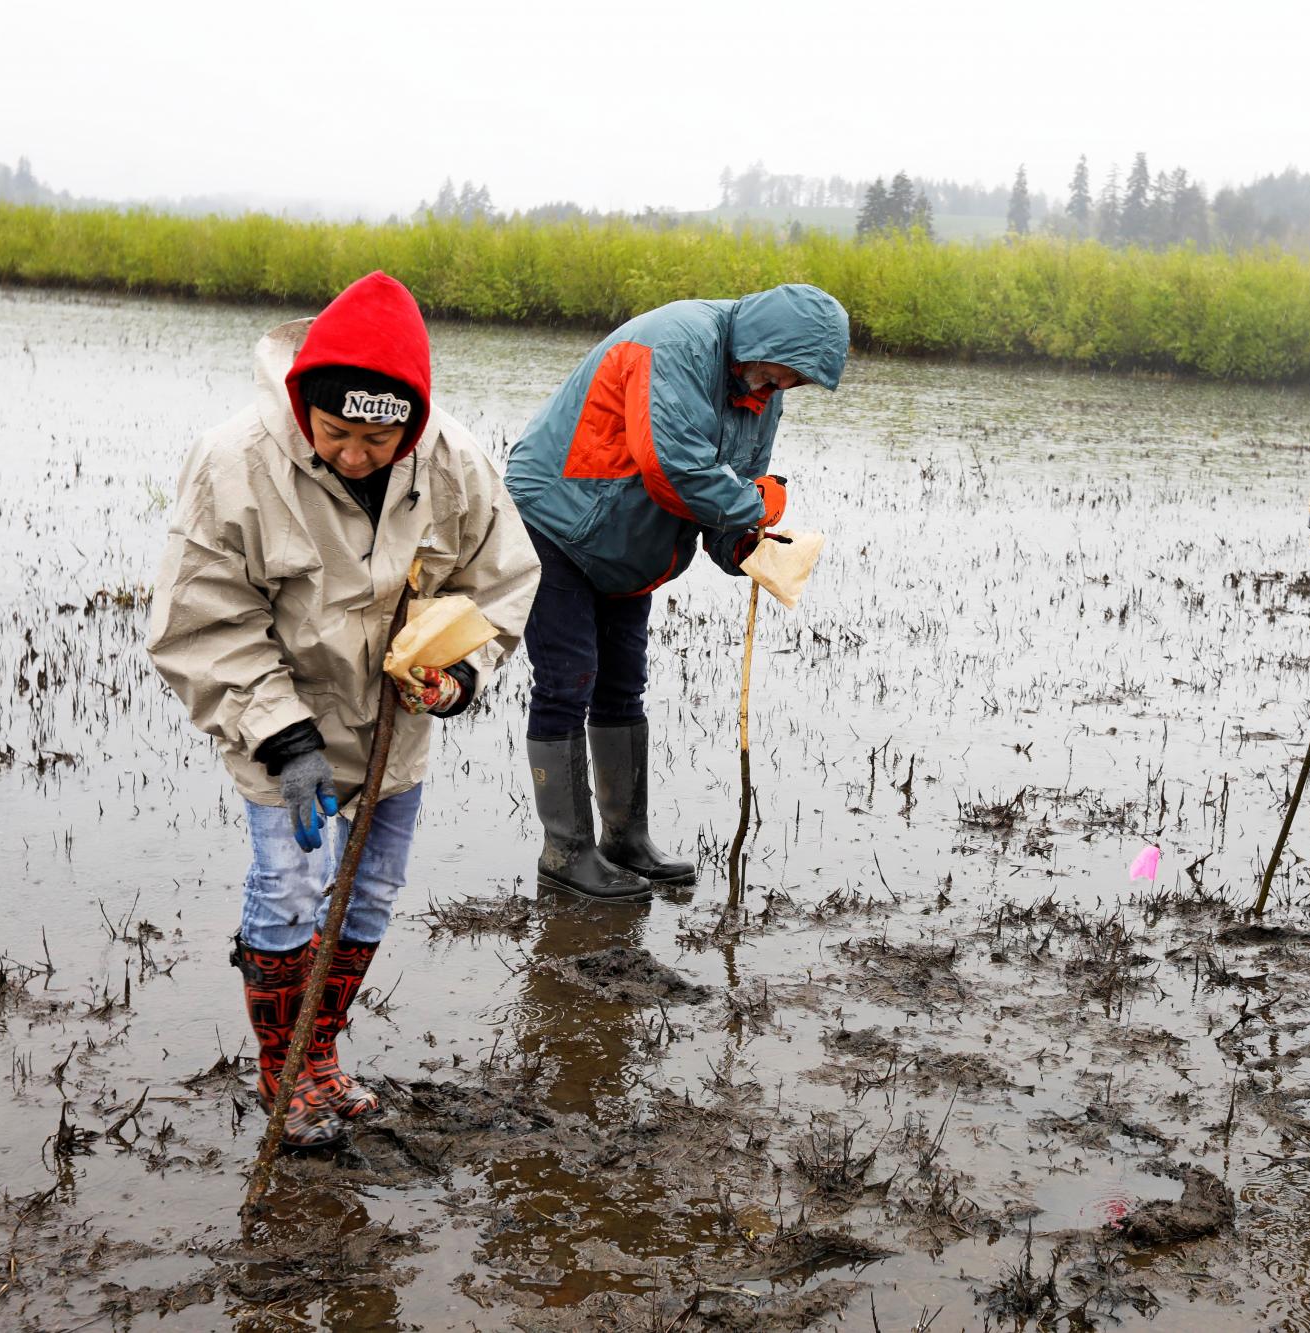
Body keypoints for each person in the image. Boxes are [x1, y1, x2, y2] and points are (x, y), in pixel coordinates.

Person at [148, 271, 540, 1147]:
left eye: (379, 437)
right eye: (336, 434)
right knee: (290, 895)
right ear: (302, 407)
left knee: (369, 897)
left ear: (414, 418)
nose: (357, 455)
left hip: (394, 733)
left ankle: (317, 1054)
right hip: (282, 727)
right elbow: (202, 618)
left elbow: (501, 580)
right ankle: (283, 1071)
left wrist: (457, 673)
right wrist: (283, 737)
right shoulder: (233, 462)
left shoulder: (453, 459)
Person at [506, 284, 849, 901]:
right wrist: (756, 504)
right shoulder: (675, 341)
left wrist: (741, 544)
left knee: (623, 683)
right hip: (554, 520)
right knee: (568, 679)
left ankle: (625, 841)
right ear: (761, 343)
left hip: (629, 545)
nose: (780, 389)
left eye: (793, 384)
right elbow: (676, 469)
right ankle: (567, 852)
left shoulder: (759, 396)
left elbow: (728, 489)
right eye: (781, 374)